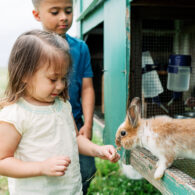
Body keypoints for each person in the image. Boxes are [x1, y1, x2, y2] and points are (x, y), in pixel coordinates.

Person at [0, 30, 120, 195]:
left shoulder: (63, 105)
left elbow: (75, 139)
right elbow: (2, 161)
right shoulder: (15, 114)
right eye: (53, 79)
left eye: (63, 78)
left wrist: (97, 150)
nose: (61, 85)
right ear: (25, 75)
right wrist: (41, 167)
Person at [31, 1, 96, 193]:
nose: (63, 17)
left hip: (74, 120)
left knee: (86, 169)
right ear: (37, 15)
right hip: (41, 124)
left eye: (68, 11)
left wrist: (89, 123)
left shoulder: (80, 48)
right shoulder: (32, 47)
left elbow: (87, 88)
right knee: (49, 174)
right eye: (55, 12)